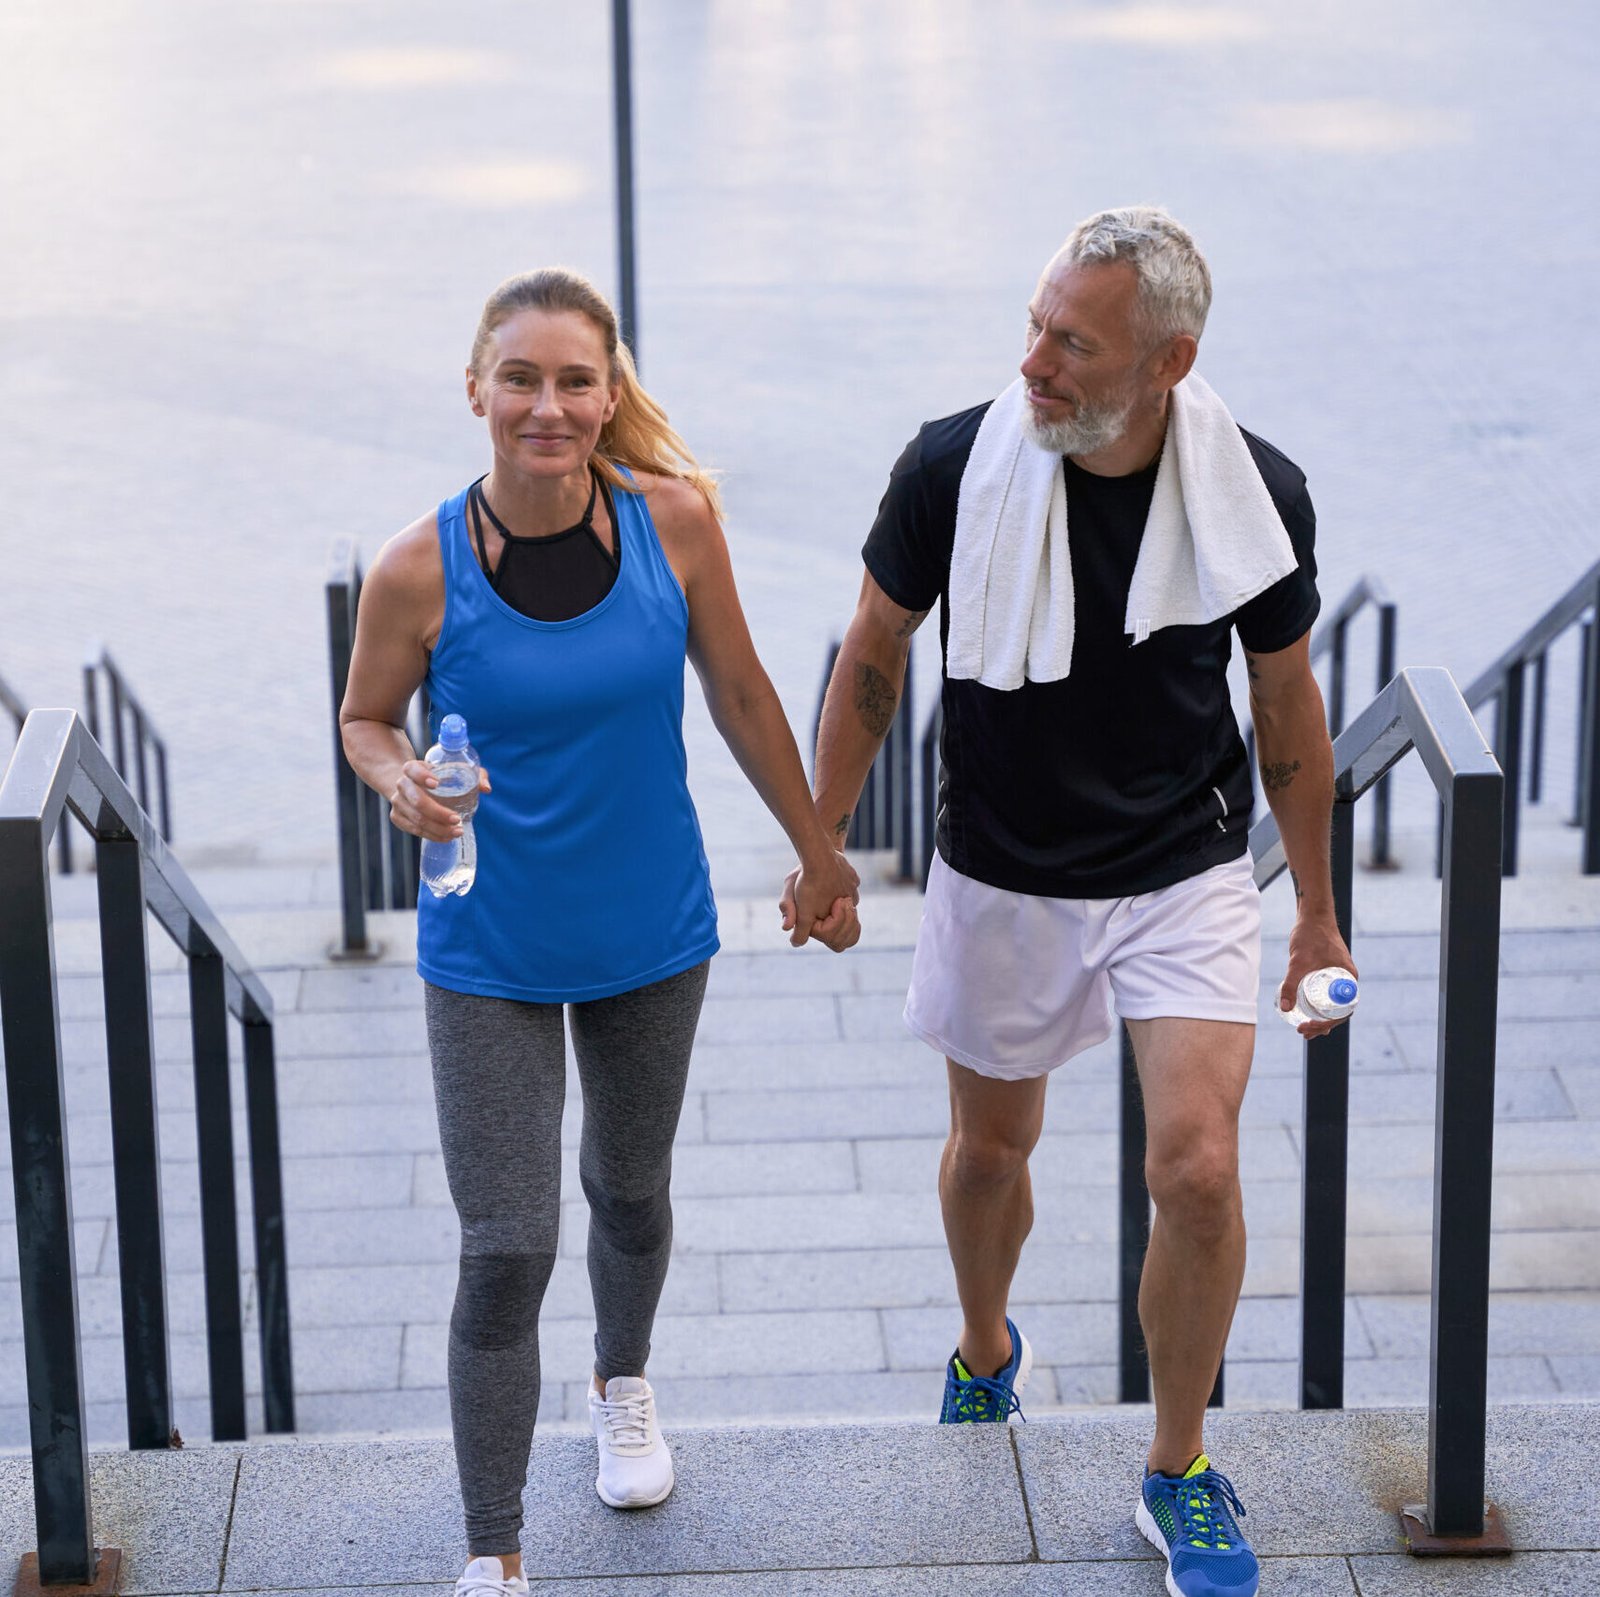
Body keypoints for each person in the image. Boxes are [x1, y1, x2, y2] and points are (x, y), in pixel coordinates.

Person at [792, 207, 1354, 1597]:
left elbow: (1284, 704)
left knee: (1199, 1169)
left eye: (1070, 343)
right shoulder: (950, 466)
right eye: (1034, 324)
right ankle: (988, 1352)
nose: (1033, 361)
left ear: (1168, 361)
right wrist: (823, 841)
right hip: (1003, 860)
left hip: (1183, 862)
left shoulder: (1257, 493)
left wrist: (1318, 915)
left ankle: (1178, 1467)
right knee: (991, 1155)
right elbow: (874, 651)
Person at [340, 268, 859, 1597]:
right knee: (504, 1241)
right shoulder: (418, 564)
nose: (549, 405)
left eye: (576, 379)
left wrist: (817, 852)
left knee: (629, 1190)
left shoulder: (675, 525)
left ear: (611, 391)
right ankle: (494, 1549)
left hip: (650, 928)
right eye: (521, 376)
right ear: (476, 391)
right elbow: (364, 717)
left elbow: (740, 690)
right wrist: (398, 777)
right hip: (488, 942)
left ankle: (621, 1381)